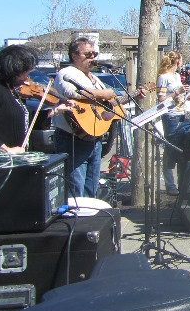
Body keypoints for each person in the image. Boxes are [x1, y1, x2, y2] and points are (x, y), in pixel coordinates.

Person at [54, 37, 145, 197]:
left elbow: (107, 104)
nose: (93, 58)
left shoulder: (94, 79)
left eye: (94, 54)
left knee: (92, 186)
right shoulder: (67, 73)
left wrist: (133, 95)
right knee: (76, 188)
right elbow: (72, 92)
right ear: (74, 56)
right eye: (88, 54)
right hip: (73, 139)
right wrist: (104, 93)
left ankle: (90, 219)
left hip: (94, 138)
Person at [0, 45, 69, 153]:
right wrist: (5, 149)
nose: (27, 79)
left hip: (17, 160)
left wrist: (57, 110)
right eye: (26, 73)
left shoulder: (12, 90)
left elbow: (25, 121)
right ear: (14, 69)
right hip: (2, 162)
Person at [156, 51, 189, 195]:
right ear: (177, 61)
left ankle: (182, 182)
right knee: (171, 149)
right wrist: (176, 93)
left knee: (182, 149)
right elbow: (161, 100)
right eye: (181, 60)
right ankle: (170, 184)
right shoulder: (163, 77)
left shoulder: (176, 76)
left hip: (182, 113)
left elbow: (179, 95)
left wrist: (186, 94)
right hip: (170, 116)